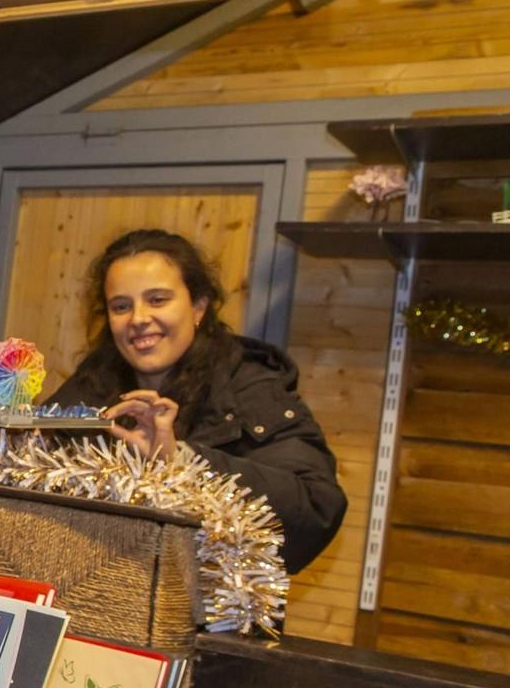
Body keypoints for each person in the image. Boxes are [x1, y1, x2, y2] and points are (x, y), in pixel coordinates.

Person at [49, 228, 346, 572]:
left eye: (158, 300)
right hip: (100, 602)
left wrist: (182, 461)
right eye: (121, 306)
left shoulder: (249, 386)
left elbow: (314, 511)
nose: (139, 319)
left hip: (211, 618)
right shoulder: (87, 389)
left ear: (198, 307)